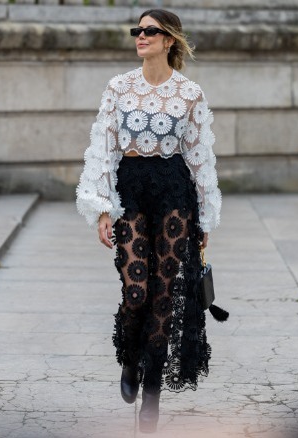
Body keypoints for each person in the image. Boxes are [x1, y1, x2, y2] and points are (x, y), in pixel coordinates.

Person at [76, 8, 222, 434]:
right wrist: (101, 205)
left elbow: (200, 158)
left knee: (165, 294)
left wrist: (206, 216)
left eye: (149, 31)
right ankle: (129, 359)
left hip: (175, 192)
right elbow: (102, 146)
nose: (140, 36)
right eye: (137, 30)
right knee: (137, 289)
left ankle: (152, 393)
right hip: (131, 190)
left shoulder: (190, 93)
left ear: (169, 39)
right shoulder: (118, 87)